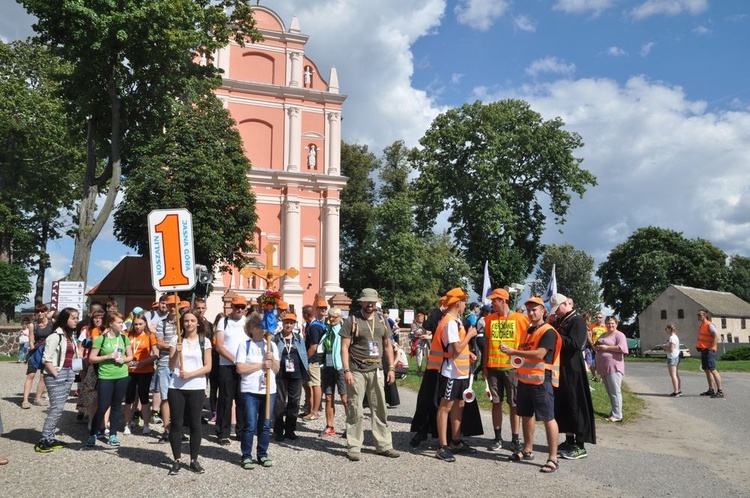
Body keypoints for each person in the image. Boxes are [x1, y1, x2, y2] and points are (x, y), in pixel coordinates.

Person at [502, 296, 561, 474]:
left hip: (541, 380)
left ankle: (553, 458)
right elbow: (526, 355)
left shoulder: (548, 331)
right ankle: (528, 450)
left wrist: (514, 351)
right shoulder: (528, 330)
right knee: (526, 415)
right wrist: (514, 357)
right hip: (525, 380)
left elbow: (539, 354)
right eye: (528, 310)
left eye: (535, 309)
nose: (531, 312)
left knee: (548, 418)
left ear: (543, 311)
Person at [339, 288, 400, 461]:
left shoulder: (382, 320)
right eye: (367, 301)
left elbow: (388, 346)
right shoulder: (352, 320)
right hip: (356, 370)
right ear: (361, 302)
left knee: (380, 408)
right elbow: (343, 348)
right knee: (355, 409)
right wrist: (347, 370)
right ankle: (354, 446)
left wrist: (392, 369)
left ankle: (384, 445)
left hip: (376, 369)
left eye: (372, 302)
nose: (370, 304)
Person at [549, 293, 596, 460]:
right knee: (565, 405)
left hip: (573, 370)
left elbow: (575, 344)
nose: (556, 313)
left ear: (563, 305)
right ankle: (569, 441)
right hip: (562, 370)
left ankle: (580, 444)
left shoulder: (577, 321)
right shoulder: (562, 321)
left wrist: (555, 335)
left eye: (557, 309)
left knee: (576, 405)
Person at [434, 289, 478, 462]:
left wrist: (468, 354)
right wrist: (470, 335)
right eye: (464, 302)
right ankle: (442, 446)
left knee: (459, 405)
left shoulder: (455, 321)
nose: (465, 305)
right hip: (451, 372)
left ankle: (455, 441)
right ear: (458, 304)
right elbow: (456, 348)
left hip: (459, 372)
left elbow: (459, 349)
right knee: (445, 407)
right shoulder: (450, 322)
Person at [483, 288, 529, 453]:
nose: (492, 303)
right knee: (496, 403)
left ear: (503, 301)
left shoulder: (520, 318)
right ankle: (497, 438)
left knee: (514, 404)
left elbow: (527, 340)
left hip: (512, 368)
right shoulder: (489, 319)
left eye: (494, 300)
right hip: (494, 368)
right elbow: (487, 343)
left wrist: (523, 362)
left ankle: (515, 439)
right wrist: (485, 366)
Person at [167, 310, 212, 475]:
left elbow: (208, 366)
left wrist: (190, 374)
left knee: (195, 424)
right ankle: (177, 459)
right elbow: (171, 366)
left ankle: (194, 460)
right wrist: (177, 354)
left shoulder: (204, 341)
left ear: (198, 322)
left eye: (192, 320)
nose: (189, 324)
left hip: (196, 386)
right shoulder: (176, 340)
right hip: (177, 386)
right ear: (182, 323)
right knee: (177, 424)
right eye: (186, 321)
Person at [34, 308, 82, 453]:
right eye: (73, 318)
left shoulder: (70, 336)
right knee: (56, 408)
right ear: (65, 319)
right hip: (58, 374)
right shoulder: (55, 336)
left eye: (77, 318)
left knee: (59, 408)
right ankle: (44, 440)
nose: (76, 320)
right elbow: (46, 359)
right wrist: (56, 374)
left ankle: (50, 437)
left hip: (68, 374)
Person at [236, 312, 279, 470]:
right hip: (250, 390)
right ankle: (246, 455)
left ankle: (262, 453)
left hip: (269, 390)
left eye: (262, 325)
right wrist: (260, 365)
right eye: (257, 326)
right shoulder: (244, 345)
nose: (260, 328)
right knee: (249, 424)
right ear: (251, 329)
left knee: (265, 424)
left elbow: (277, 369)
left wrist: (272, 361)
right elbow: (240, 368)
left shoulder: (272, 345)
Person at [88, 311, 134, 447]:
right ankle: (93, 433)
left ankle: (113, 435)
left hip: (122, 375)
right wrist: (107, 357)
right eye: (119, 322)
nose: (122, 325)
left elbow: (131, 356)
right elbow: (92, 358)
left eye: (122, 322)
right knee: (102, 406)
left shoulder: (124, 338)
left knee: (116, 406)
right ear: (111, 323)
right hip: (105, 376)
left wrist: (124, 359)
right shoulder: (102, 339)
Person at [215, 295, 248, 445]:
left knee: (242, 399)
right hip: (227, 365)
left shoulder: (248, 322)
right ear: (232, 307)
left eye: (242, 307)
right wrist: (234, 360)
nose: (239, 309)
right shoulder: (224, 321)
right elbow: (219, 345)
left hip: (243, 366)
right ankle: (223, 432)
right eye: (236, 307)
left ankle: (241, 431)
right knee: (225, 399)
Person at [274, 313, 308, 441]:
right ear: (282, 323)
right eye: (286, 322)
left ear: (294, 325)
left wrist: (306, 372)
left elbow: (303, 355)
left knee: (294, 402)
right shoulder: (276, 338)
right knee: (280, 403)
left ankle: (290, 429)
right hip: (280, 375)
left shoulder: (298, 339)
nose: (288, 325)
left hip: (296, 374)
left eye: (291, 323)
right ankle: (278, 430)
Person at [123, 313, 159, 435]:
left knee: (144, 398)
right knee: (129, 398)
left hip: (145, 370)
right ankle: (127, 425)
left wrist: (144, 362)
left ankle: (146, 425)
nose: (138, 327)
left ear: (145, 324)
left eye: (140, 324)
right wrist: (126, 361)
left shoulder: (150, 336)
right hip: (129, 370)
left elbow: (156, 354)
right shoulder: (128, 335)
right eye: (136, 324)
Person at [594, 316, 628, 422]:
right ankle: (614, 411)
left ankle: (618, 415)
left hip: (614, 366)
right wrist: (597, 347)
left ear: (616, 324)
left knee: (615, 391)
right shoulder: (604, 334)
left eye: (612, 323)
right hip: (604, 367)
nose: (610, 325)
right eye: (608, 323)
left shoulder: (619, 335)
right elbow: (597, 344)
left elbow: (622, 348)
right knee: (610, 391)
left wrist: (606, 348)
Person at [154, 295, 179, 442]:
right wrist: (175, 346)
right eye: (169, 305)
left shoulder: (184, 323)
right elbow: (159, 343)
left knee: (179, 399)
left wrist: (168, 344)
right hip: (164, 364)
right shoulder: (161, 324)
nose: (171, 308)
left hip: (180, 365)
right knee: (165, 397)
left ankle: (177, 429)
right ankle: (166, 429)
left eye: (174, 305)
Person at [319, 307, 346, 437]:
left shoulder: (343, 330)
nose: (331, 319)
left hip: (340, 366)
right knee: (328, 397)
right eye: (330, 316)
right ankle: (330, 426)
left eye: (334, 317)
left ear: (340, 317)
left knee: (345, 398)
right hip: (328, 366)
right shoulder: (327, 330)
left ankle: (350, 427)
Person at [22, 303, 54, 409]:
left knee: (43, 375)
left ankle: (38, 398)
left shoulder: (52, 323)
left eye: (42, 311)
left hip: (48, 350)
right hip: (36, 351)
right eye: (38, 312)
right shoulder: (33, 325)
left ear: (46, 312)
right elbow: (31, 340)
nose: (40, 313)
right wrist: (32, 348)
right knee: (30, 375)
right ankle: (25, 400)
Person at [301, 303, 326, 420]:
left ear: (305, 315)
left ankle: (315, 411)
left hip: (313, 360)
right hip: (312, 360)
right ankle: (310, 410)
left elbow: (313, 347)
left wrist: (304, 360)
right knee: (308, 385)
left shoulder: (314, 327)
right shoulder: (313, 324)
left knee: (316, 384)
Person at [696, 310, 723, 398]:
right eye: (698, 314)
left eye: (699, 315)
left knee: (713, 370)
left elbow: (716, 337)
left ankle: (720, 391)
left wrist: (710, 348)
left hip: (709, 351)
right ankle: (711, 390)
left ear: (704, 316)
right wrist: (700, 346)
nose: (698, 316)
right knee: (707, 370)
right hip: (704, 350)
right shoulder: (701, 326)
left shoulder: (709, 325)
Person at [665, 324, 682, 397]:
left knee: (673, 375)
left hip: (672, 357)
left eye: (666, 329)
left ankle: (676, 391)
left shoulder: (672, 338)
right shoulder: (675, 337)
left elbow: (671, 349)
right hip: (676, 356)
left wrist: (664, 348)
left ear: (669, 329)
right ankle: (678, 390)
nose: (665, 330)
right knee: (676, 374)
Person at [588, 312, 606, 382]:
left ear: (602, 318)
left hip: (602, 347)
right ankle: (594, 376)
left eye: (600, 317)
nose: (598, 319)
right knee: (592, 363)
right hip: (593, 346)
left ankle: (602, 378)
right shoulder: (592, 326)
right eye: (597, 317)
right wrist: (592, 346)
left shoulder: (605, 327)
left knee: (602, 363)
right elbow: (589, 336)